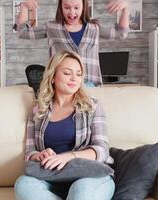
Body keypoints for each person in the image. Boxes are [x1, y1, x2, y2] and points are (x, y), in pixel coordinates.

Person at [14, 50, 114, 200]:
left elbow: (102, 150)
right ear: (53, 76)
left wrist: (68, 157)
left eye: (79, 74)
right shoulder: (37, 111)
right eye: (67, 73)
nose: (75, 78)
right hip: (51, 177)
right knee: (23, 184)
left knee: (81, 192)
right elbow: (30, 151)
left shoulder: (92, 106)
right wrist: (39, 155)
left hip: (90, 176)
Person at [17, 0, 129, 87]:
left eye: (76, 7)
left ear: (84, 6)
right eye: (66, 7)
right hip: (61, 88)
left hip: (89, 87)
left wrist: (125, 8)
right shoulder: (52, 27)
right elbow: (23, 32)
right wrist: (24, 6)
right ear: (61, 7)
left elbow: (121, 33)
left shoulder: (94, 28)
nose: (71, 12)